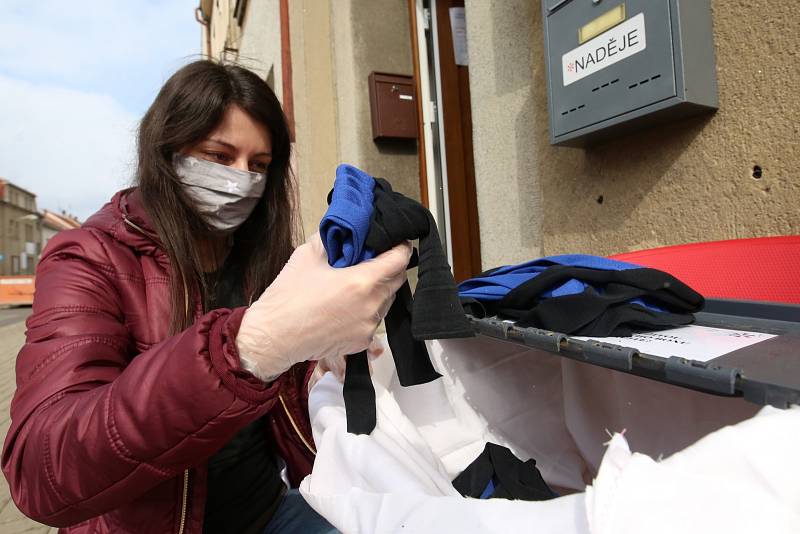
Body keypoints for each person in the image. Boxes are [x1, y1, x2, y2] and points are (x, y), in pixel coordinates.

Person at [1, 60, 411, 534]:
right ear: (169, 150)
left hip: (272, 506)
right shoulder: (88, 257)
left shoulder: (260, 253)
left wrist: (319, 359)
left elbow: (278, 392)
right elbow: (42, 469)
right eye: (219, 156)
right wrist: (246, 348)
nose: (242, 179)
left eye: (259, 165)